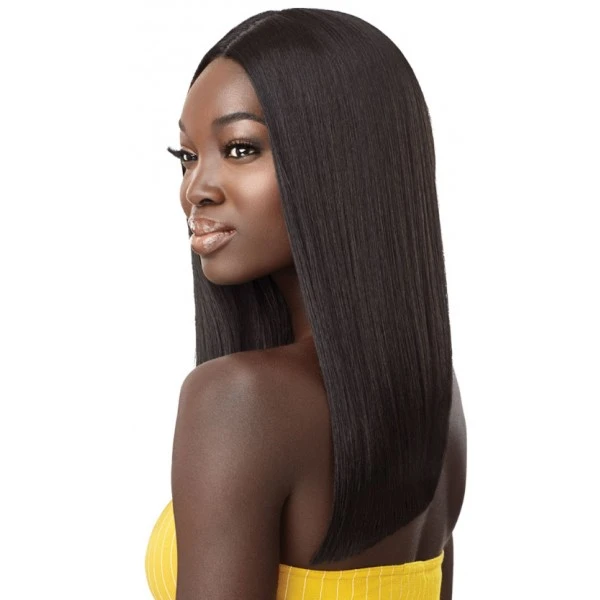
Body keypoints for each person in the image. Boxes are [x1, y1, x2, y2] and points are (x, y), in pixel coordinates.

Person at [145, 8, 467, 600]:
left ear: (344, 161)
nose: (196, 188)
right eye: (187, 155)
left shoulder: (239, 400)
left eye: (240, 148)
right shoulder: (432, 396)